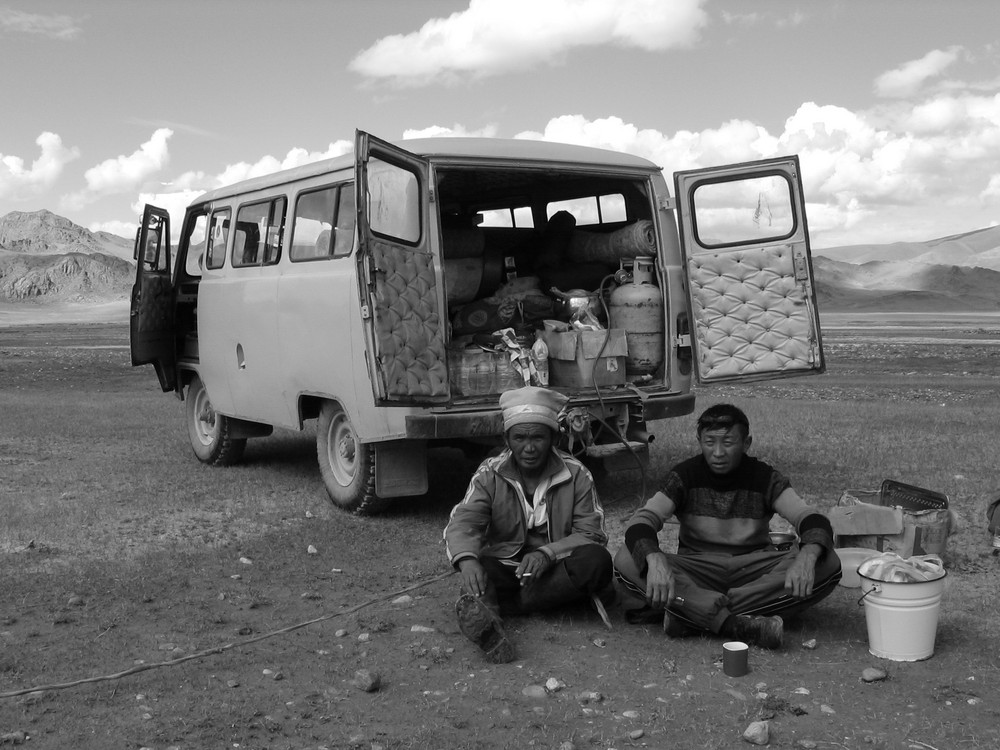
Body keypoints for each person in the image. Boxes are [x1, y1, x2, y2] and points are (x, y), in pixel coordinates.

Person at [614, 403, 841, 649]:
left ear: (746, 443)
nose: (718, 452)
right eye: (709, 442)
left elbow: (810, 518)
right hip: (698, 570)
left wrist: (807, 556)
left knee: (827, 562)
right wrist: (654, 558)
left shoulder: (765, 478)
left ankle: (693, 614)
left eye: (728, 442)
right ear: (699, 441)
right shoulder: (684, 476)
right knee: (627, 558)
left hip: (753, 573)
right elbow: (643, 520)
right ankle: (734, 624)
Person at [443, 386, 613, 663]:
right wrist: (466, 560)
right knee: (480, 568)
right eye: (520, 437)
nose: (529, 447)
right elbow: (464, 521)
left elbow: (592, 534)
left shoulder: (576, 474)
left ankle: (507, 605)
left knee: (597, 561)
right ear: (506, 438)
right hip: (508, 568)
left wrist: (547, 554)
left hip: (557, 569)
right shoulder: (490, 473)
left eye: (538, 437)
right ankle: (493, 631)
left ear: (554, 438)